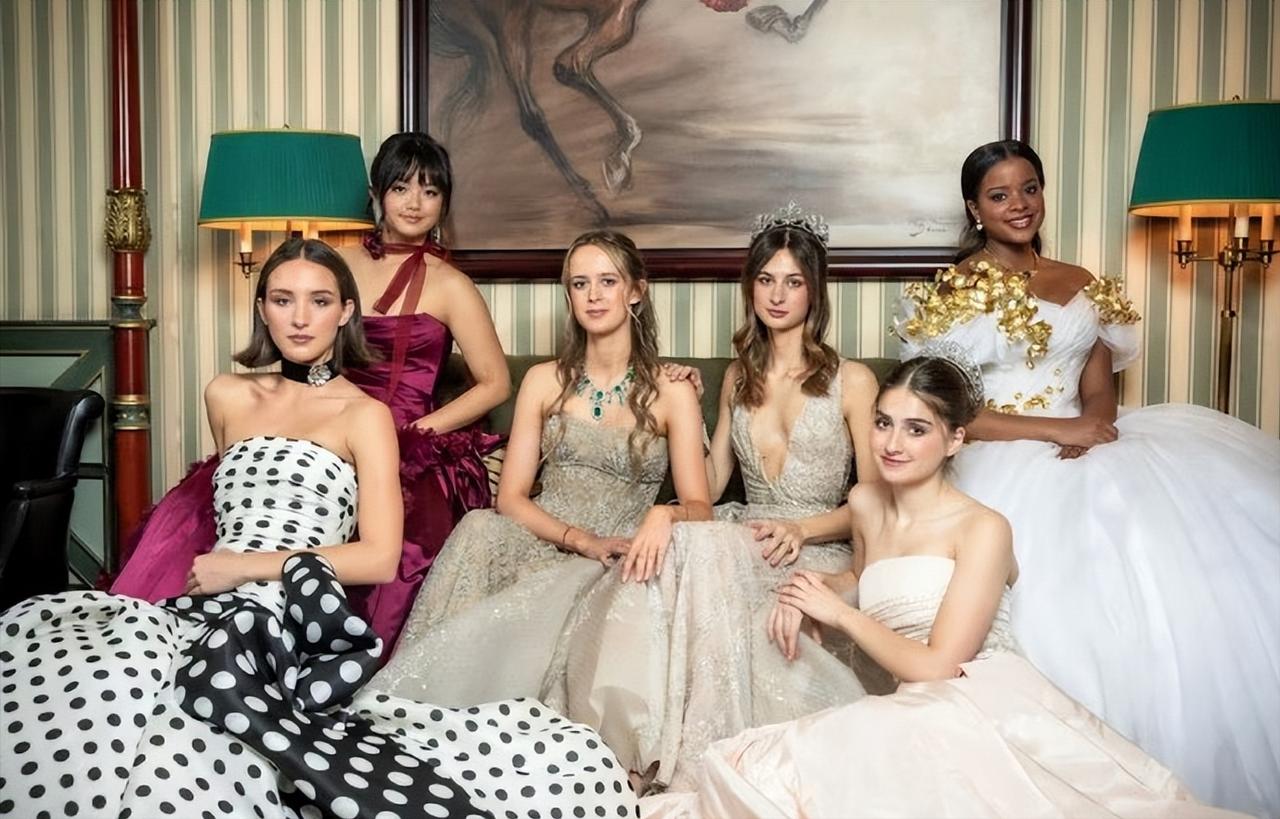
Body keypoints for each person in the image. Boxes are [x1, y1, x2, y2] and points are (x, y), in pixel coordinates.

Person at [0, 239, 635, 819]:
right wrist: (222, 569)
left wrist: (245, 569)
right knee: (90, 676)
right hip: (200, 601)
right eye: (283, 300)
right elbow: (233, 505)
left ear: (346, 313)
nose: (301, 318)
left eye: (320, 301)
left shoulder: (366, 416)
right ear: (263, 311)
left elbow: (379, 557)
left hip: (284, 612)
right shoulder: (226, 394)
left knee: (194, 712)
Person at [640, 355, 1245, 819]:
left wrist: (840, 615)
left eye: (916, 429)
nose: (892, 444)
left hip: (971, 701)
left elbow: (940, 666)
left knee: (786, 774)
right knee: (756, 766)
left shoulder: (983, 529)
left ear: (955, 439)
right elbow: (862, 580)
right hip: (902, 699)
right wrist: (807, 590)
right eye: (883, 424)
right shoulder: (866, 502)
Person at [896, 139, 1280, 818]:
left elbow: (1098, 390)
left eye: (1030, 188)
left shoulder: (1080, 280)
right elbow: (951, 413)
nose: (1020, 205)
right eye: (999, 195)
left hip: (1089, 442)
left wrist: (1092, 427)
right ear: (975, 209)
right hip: (1001, 448)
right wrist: (1056, 431)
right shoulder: (954, 290)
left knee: (1169, 556)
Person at [112, 132, 510, 653]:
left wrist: (416, 432)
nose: (415, 203)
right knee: (196, 514)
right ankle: (166, 634)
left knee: (409, 547)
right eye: (401, 188)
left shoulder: (450, 284)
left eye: (430, 191)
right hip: (316, 421)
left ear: (445, 203)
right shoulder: (335, 264)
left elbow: (496, 382)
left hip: (403, 437)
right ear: (376, 193)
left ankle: (334, 658)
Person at [540, 206, 882, 793]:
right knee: (684, 548)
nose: (778, 295)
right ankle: (631, 749)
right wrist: (683, 405)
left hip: (813, 543)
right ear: (751, 288)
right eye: (765, 280)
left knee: (698, 549)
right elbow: (713, 483)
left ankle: (690, 756)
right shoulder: (738, 377)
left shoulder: (853, 381)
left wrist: (804, 529)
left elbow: (876, 503)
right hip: (744, 536)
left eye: (793, 281)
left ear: (815, 291)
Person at [370, 229, 713, 707]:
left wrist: (664, 514)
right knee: (481, 528)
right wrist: (579, 540)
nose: (593, 296)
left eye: (608, 281)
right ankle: (444, 710)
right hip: (543, 538)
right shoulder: (542, 380)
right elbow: (511, 498)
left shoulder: (672, 391)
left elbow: (701, 506)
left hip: (618, 554)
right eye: (579, 284)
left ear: (636, 291)